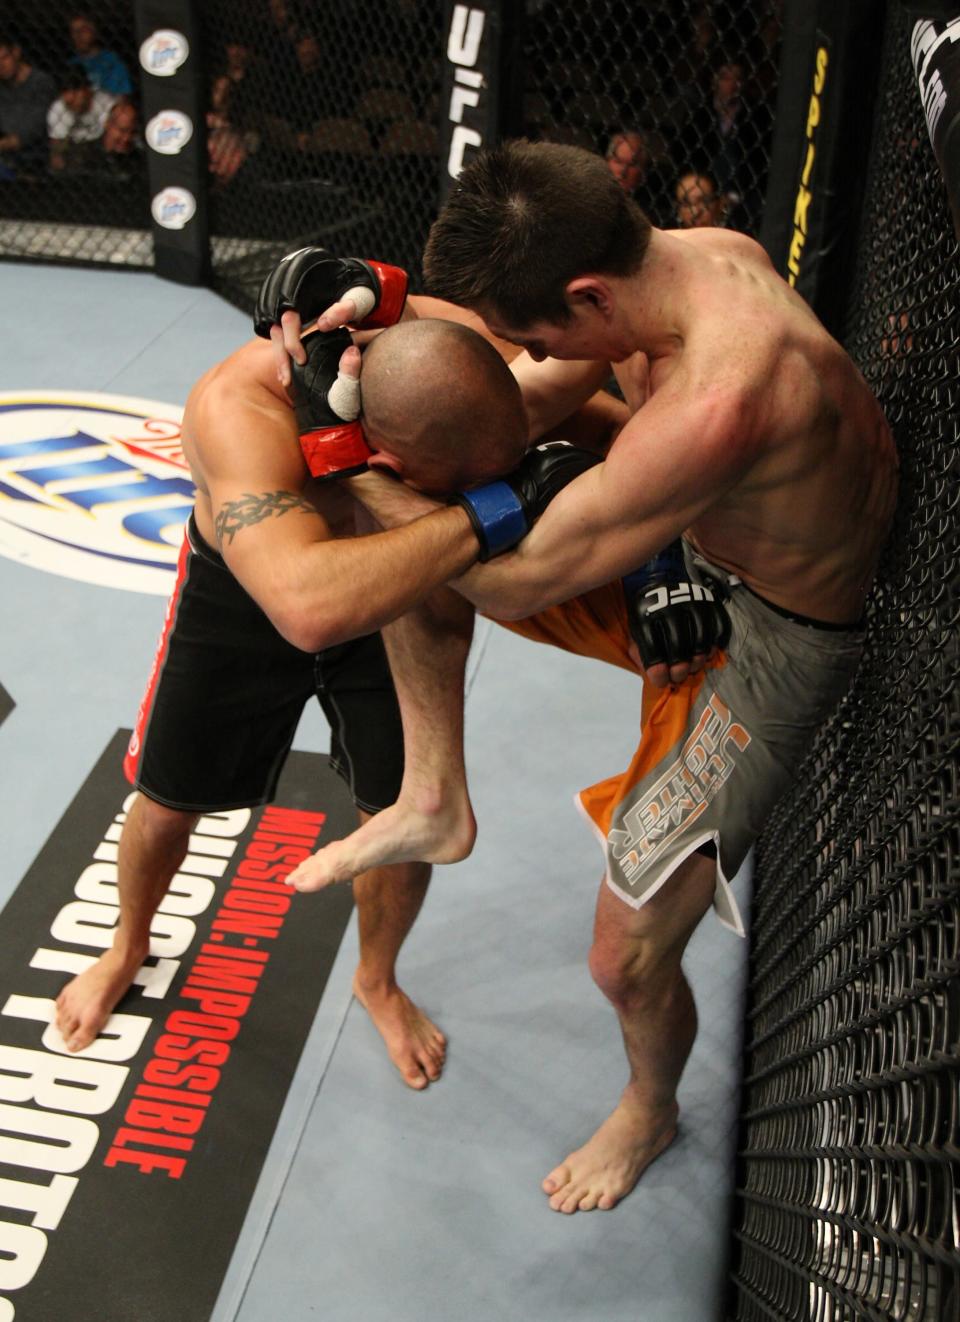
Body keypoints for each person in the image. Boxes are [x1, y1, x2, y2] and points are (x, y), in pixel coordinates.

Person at [268, 139, 897, 1215]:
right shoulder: (690, 260)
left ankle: (651, 1107)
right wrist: (387, 413)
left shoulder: (726, 391)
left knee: (627, 954)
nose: (527, 351)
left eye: (532, 328)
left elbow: (522, 577)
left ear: (587, 291)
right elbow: (527, 400)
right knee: (421, 519)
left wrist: (342, 461)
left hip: (772, 643)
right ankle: (434, 791)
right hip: (696, 547)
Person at [54, 282, 636, 1089]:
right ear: (389, 460)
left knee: (401, 810)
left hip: (399, 598)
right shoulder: (240, 409)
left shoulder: (441, 342)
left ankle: (377, 978)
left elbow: (605, 342)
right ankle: (128, 942)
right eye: (438, 485)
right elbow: (306, 604)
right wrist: (488, 513)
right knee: (166, 794)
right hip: (252, 593)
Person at [0, 34, 56, 179]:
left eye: (4, 58)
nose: (1, 65)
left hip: (34, 155)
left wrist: (8, 143)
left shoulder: (41, 83)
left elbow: (34, 129)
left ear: (16, 53)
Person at [47, 68, 114, 171]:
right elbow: (57, 153)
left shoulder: (106, 103)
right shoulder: (58, 109)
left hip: (101, 149)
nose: (71, 98)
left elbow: (111, 140)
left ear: (87, 90)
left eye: (75, 90)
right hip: (73, 151)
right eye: (65, 91)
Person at [66, 11, 133, 98]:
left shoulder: (111, 61)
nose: (78, 36)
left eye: (83, 30)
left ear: (94, 31)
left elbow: (122, 97)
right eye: (74, 31)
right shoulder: (71, 64)